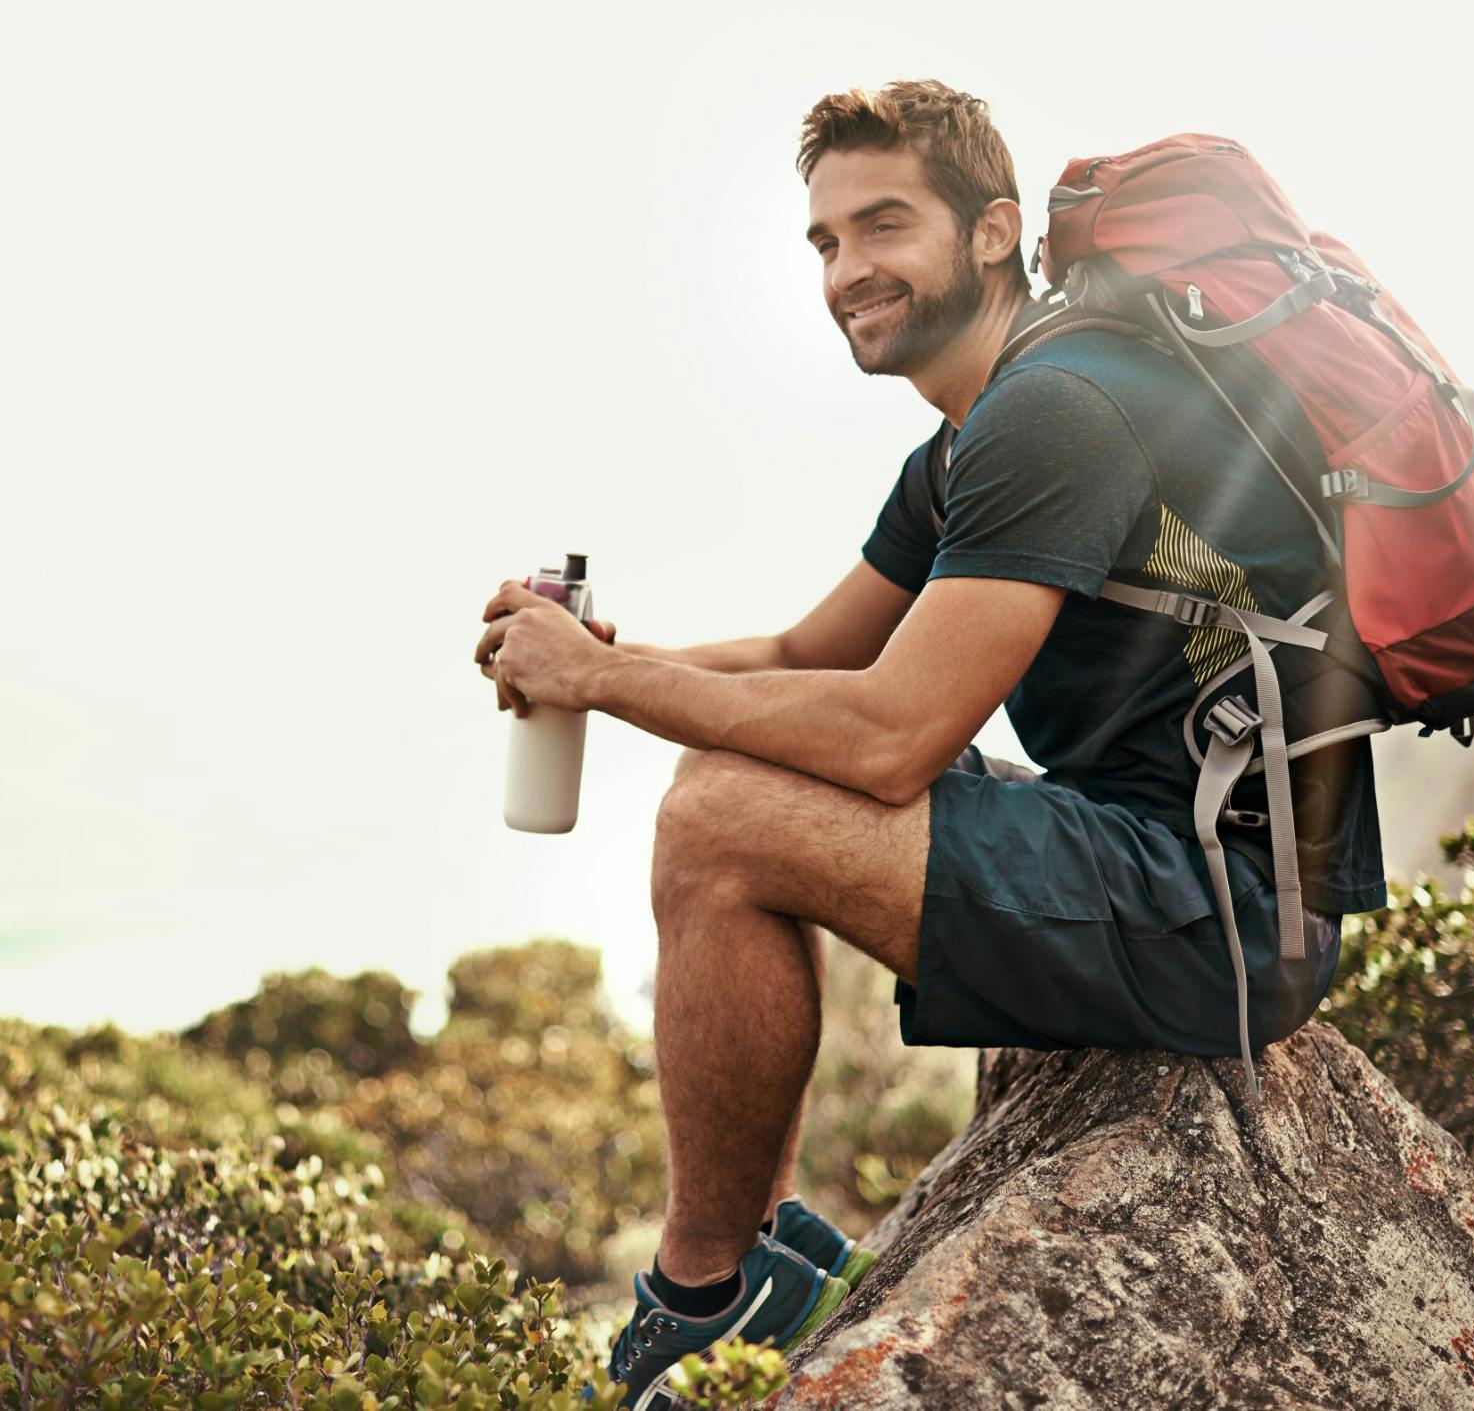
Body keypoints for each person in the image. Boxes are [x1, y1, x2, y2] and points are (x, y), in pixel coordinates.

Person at [470, 80, 1384, 1406]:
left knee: (721, 817)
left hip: (1227, 916)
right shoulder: (972, 438)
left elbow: (893, 733)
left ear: (994, 231)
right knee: (728, 779)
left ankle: (702, 1296)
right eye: (826, 241)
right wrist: (601, 659)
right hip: (1164, 859)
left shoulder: (1060, 408)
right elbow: (803, 659)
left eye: (884, 225)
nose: (848, 271)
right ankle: (761, 1264)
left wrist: (605, 684)